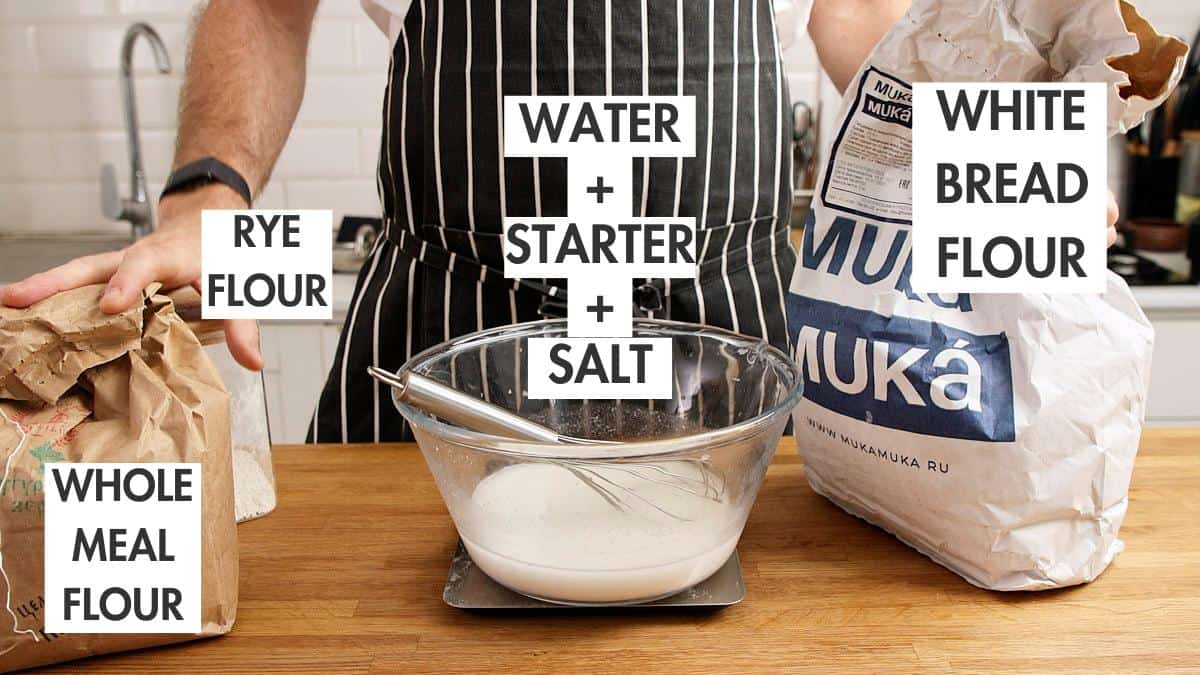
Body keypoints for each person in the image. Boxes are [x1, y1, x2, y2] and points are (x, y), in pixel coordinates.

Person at [0, 0, 1116, 442]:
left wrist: (993, 163)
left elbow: (851, 20)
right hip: (431, 368)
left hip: (731, 376)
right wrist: (207, 198)